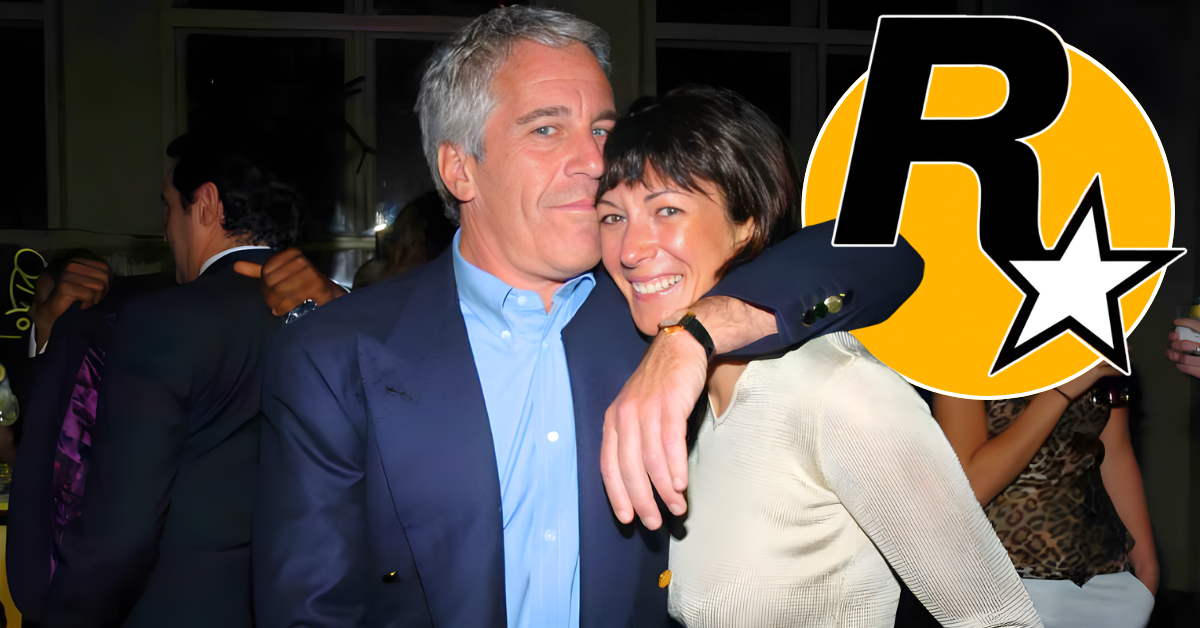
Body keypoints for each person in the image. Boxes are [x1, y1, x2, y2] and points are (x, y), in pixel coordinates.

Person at [252, 6, 925, 627]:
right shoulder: (335, 356)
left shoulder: (655, 303)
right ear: (460, 169)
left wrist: (693, 337)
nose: (596, 161)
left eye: (603, 129)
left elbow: (886, 256)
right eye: (547, 129)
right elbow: (311, 611)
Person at [594, 85, 1040, 627]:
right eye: (612, 217)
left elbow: (997, 618)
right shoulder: (684, 399)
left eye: (667, 209)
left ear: (747, 222)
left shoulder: (837, 390)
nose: (631, 250)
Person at [35, 133, 308, 628]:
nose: (164, 231)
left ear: (205, 205)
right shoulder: (335, 314)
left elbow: (122, 532)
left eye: (167, 207)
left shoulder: (161, 322)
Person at [933, 365, 1158, 627]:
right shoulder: (964, 354)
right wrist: (1060, 392)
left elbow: (1113, 450)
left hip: (1111, 583)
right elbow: (970, 489)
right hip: (1004, 586)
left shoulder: (1091, 347)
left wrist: (1146, 570)